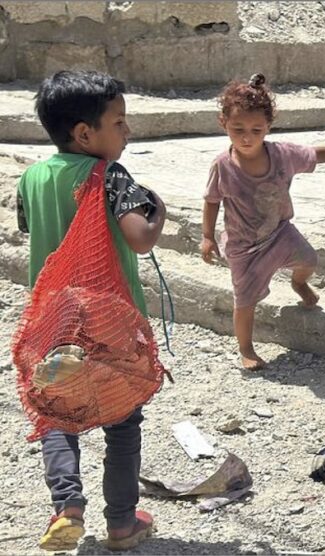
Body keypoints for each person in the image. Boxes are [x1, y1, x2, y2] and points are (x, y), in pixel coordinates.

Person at [16, 70, 166, 551]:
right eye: (119, 122)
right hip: (108, 321)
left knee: (59, 412)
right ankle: (122, 523)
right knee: (121, 422)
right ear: (86, 133)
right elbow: (139, 239)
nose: (126, 132)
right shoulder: (109, 175)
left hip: (53, 321)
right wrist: (157, 210)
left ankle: (67, 508)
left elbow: (29, 227)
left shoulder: (32, 177)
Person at [200, 74, 325, 371]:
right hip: (243, 247)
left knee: (309, 259)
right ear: (224, 124)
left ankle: (298, 284)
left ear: (268, 127)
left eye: (256, 130)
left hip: (280, 232)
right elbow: (211, 201)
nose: (247, 137)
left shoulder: (283, 155)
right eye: (238, 129)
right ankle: (246, 348)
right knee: (245, 300)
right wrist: (207, 236)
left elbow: (314, 154)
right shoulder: (223, 166)